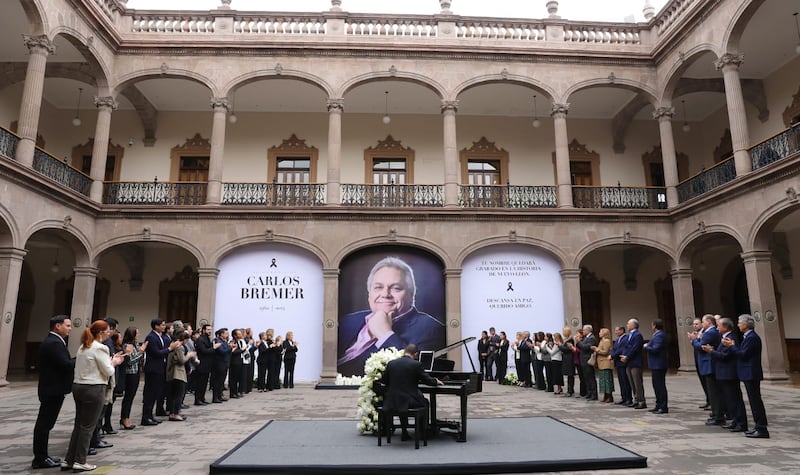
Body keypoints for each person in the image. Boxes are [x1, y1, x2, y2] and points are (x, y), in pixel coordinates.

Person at [337, 257, 446, 376]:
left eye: (396, 288)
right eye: (378, 287)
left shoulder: (432, 330)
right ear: (370, 293)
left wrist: (385, 335)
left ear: (411, 294)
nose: (385, 294)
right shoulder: (348, 320)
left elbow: (418, 375)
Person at [62, 320, 124, 473]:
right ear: (101, 332)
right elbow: (108, 371)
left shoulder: (83, 346)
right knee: (88, 426)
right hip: (94, 388)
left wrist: (109, 363)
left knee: (79, 425)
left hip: (79, 386)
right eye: (107, 330)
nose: (109, 333)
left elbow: (95, 366)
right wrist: (114, 362)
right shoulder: (100, 348)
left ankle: (69, 459)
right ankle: (80, 460)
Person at [32, 315, 74, 469]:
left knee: (46, 425)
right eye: (67, 325)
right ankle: (40, 458)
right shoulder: (53, 343)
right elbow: (65, 364)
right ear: (58, 326)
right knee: (44, 425)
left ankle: (43, 456)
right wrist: (82, 357)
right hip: (52, 389)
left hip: (53, 389)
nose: (70, 328)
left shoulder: (55, 341)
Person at [380, 343, 443, 440]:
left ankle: (404, 433)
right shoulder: (416, 365)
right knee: (425, 402)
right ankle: (422, 432)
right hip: (408, 401)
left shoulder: (391, 363)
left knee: (402, 401)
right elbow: (428, 380)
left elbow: (384, 381)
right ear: (416, 355)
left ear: (404, 352)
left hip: (392, 401)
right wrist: (436, 381)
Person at [723, 314, 769, 438]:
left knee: (755, 402)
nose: (738, 325)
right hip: (749, 373)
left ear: (746, 324)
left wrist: (732, 346)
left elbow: (743, 355)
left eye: (739, 322)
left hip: (751, 373)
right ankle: (758, 427)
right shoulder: (748, 337)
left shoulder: (752, 337)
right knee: (754, 401)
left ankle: (762, 428)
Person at [703, 317, 748, 433]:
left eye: (719, 326)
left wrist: (711, 351)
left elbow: (725, 356)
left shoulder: (731, 338)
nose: (717, 328)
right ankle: (735, 421)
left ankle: (741, 422)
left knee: (735, 399)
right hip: (724, 374)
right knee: (729, 399)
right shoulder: (724, 338)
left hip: (729, 374)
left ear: (726, 327)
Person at [141, 318, 180, 426]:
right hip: (153, 368)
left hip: (160, 368)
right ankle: (146, 417)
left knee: (155, 393)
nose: (164, 327)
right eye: (162, 325)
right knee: (150, 393)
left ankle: (150, 416)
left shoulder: (160, 336)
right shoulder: (151, 337)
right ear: (156, 326)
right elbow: (156, 353)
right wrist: (169, 349)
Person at [691, 314, 724, 426]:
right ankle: (715, 414)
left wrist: (693, 340)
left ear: (709, 322)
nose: (702, 324)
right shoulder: (708, 332)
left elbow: (701, 346)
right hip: (707, 364)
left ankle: (718, 416)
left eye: (703, 322)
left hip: (710, 365)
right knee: (712, 392)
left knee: (714, 392)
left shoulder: (710, 332)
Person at [119, 327, 147, 430]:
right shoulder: (127, 345)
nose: (138, 335)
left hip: (136, 372)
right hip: (129, 373)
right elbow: (130, 361)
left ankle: (126, 417)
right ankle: (124, 418)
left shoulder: (135, 344)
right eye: (137, 333)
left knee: (131, 397)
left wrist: (141, 352)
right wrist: (141, 352)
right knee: (128, 397)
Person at [166, 330, 196, 421]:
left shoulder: (174, 345)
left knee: (173, 394)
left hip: (172, 372)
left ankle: (173, 413)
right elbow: (182, 360)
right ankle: (175, 413)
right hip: (177, 373)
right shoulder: (180, 347)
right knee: (178, 394)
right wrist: (189, 355)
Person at [621, 318, 646, 409]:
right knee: (632, 382)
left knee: (637, 382)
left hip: (635, 362)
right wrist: (624, 355)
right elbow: (626, 347)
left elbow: (635, 348)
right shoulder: (629, 335)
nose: (627, 325)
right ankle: (636, 399)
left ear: (633, 325)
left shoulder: (637, 335)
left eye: (628, 324)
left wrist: (627, 356)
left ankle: (641, 401)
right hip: (629, 362)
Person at [644, 320, 668, 413]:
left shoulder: (660, 335)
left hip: (659, 364)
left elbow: (656, 348)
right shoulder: (657, 334)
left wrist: (646, 347)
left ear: (655, 326)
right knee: (656, 385)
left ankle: (663, 406)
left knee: (660, 386)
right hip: (655, 364)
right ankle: (658, 404)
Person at [690, 317, 710, 409]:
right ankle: (708, 400)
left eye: (697, 323)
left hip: (705, 361)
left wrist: (694, 339)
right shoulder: (697, 333)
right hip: (698, 360)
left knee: (707, 382)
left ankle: (711, 401)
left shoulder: (704, 333)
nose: (695, 325)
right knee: (703, 382)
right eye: (694, 324)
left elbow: (701, 345)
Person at [193, 324, 215, 405]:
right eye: (208, 329)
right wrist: (214, 348)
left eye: (210, 329)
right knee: (200, 383)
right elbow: (204, 351)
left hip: (207, 364)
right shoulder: (200, 339)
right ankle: (198, 399)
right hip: (202, 364)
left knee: (204, 383)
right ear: (204, 330)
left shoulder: (207, 338)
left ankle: (202, 398)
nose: (210, 331)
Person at [610, 326, 631, 406]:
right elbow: (614, 349)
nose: (615, 332)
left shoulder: (625, 338)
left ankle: (628, 398)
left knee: (625, 381)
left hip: (623, 362)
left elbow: (620, 350)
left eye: (617, 330)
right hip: (618, 363)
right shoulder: (617, 340)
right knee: (621, 381)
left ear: (622, 330)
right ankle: (623, 397)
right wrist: (612, 355)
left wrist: (612, 356)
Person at [592, 328, 614, 403]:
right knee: (603, 381)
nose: (599, 333)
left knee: (607, 380)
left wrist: (596, 349)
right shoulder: (601, 341)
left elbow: (605, 352)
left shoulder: (606, 341)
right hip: (601, 363)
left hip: (606, 363)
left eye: (600, 332)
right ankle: (605, 395)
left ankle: (609, 396)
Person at [576, 324, 598, 401]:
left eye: (584, 330)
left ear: (588, 330)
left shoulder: (591, 338)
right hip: (583, 360)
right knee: (586, 378)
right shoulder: (586, 338)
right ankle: (589, 393)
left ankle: (593, 394)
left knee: (590, 377)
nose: (583, 331)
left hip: (588, 360)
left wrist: (579, 342)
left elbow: (585, 347)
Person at [211, 328, 231, 403]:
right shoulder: (218, 341)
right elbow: (222, 351)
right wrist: (230, 347)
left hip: (225, 363)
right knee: (217, 381)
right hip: (219, 363)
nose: (227, 335)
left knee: (221, 381)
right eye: (226, 333)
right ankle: (215, 397)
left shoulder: (224, 341)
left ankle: (220, 396)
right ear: (221, 334)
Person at [559, 327, 575, 397]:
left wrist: (560, 346)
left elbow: (567, 349)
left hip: (569, 358)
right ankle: (569, 389)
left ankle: (570, 390)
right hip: (566, 358)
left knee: (570, 375)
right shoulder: (566, 340)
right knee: (569, 375)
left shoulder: (570, 340)